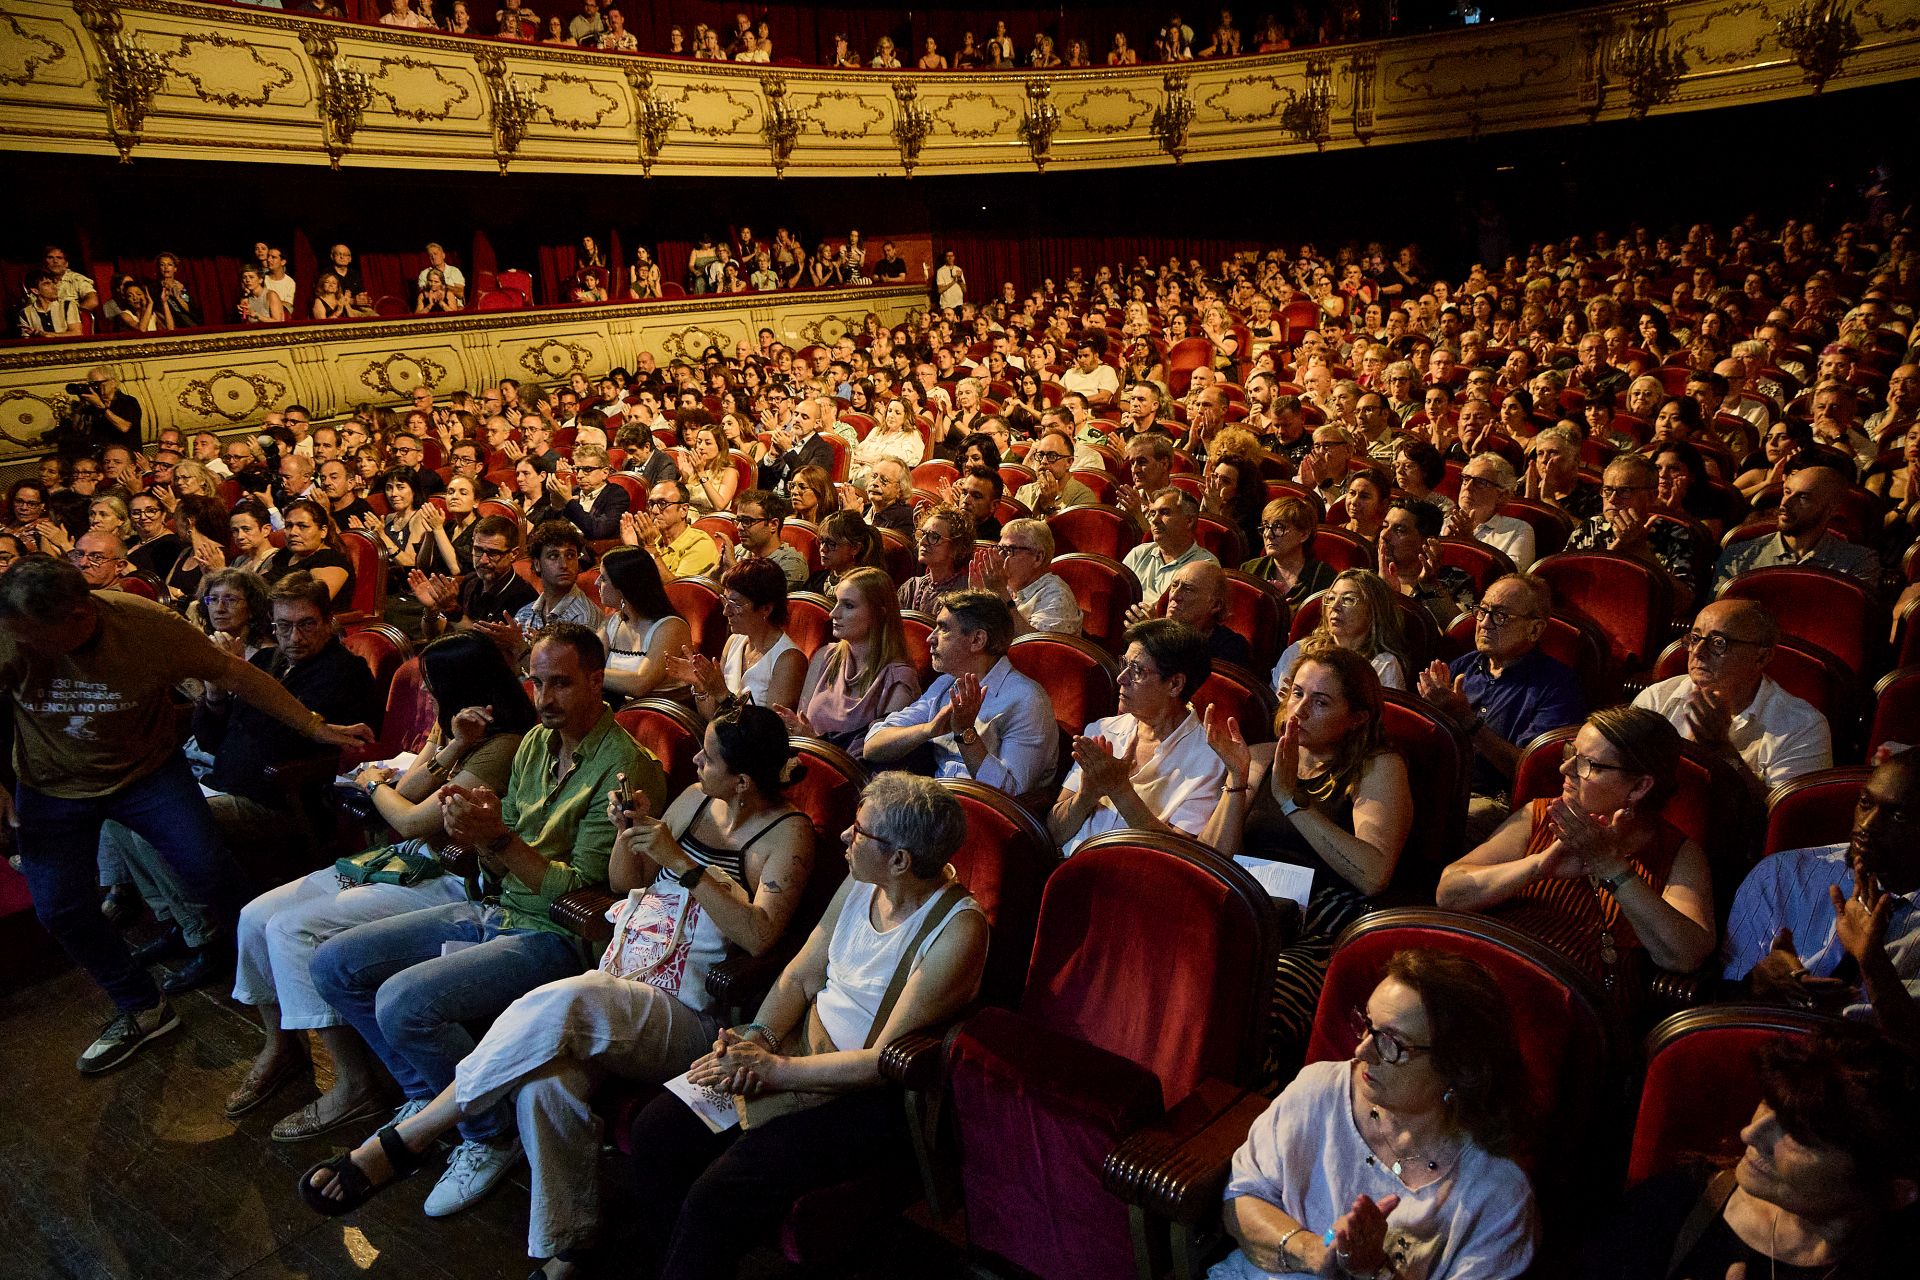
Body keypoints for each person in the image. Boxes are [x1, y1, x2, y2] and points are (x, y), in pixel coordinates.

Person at [302, 707, 813, 1280]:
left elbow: (760, 933)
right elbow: (627, 883)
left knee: (569, 997)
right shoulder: (696, 799)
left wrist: (681, 863)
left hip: (695, 1013)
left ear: (743, 781)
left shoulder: (787, 834)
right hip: (625, 975)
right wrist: (631, 835)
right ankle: (567, 1244)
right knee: (544, 1088)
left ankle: (412, 1136)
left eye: (708, 756)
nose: (694, 761)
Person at [309, 622, 662, 1216]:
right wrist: (471, 827)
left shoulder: (626, 767)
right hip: (495, 904)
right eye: (537, 682)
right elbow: (508, 840)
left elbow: (586, 890)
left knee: (402, 1000)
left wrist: (493, 837)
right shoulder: (532, 744)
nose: (544, 698)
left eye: (561, 684)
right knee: (334, 962)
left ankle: (487, 1134)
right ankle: (429, 1099)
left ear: (597, 680)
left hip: (562, 935)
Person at [0, 555, 372, 1072]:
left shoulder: (146, 625)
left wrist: (316, 727)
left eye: (33, 637)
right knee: (59, 908)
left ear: (80, 617)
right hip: (51, 784)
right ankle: (141, 1006)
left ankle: (290, 989)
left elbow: (237, 675)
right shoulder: (9, 629)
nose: (20, 646)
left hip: (147, 775)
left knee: (212, 874)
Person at [619, 772, 986, 1278]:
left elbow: (882, 1062)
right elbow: (800, 975)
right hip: (795, 1048)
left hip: (862, 1098)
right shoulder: (863, 880)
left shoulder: (957, 929)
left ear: (900, 859)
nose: (844, 837)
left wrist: (773, 1070)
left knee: (716, 1196)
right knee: (658, 1128)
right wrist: (757, 1038)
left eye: (858, 831)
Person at [227, 634, 535, 1137]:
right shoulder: (458, 729)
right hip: (407, 859)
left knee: (292, 930)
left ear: (467, 685)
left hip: (448, 875)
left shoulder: (505, 746)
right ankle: (280, 1046)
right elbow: (409, 792)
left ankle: (354, 1084)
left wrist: (373, 784)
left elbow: (410, 819)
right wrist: (451, 743)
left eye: (434, 686)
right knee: (255, 916)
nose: (428, 697)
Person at [1216, 949, 1536, 1279]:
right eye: (1367, 1025)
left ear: (1460, 1068)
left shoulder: (1495, 1196)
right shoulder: (1319, 1090)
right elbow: (1241, 1196)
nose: (1362, 1051)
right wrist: (1314, 1252)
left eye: (1391, 1043)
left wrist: (1373, 1270)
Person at [1200, 646, 1413, 1060]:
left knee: (1253, 1008)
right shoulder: (1260, 756)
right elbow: (1212, 862)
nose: (1299, 710)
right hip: (1250, 904)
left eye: (1320, 701)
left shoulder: (1377, 766)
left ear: (1358, 718)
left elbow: (1373, 873)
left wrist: (1293, 802)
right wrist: (1236, 778)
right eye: (1296, 694)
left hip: (1320, 926)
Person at [1584, 1024, 1915, 1279]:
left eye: (1798, 1135)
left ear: (1894, 1191)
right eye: (1768, 1103)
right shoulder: (1676, 1202)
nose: (1749, 1134)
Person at [1437, 706, 1716, 992]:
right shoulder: (1541, 815)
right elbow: (1448, 894)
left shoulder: (1677, 853)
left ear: (1639, 787)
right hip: (1487, 976)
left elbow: (1686, 955)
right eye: (1571, 753)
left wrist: (1611, 866)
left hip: (1575, 1003)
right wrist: (1536, 866)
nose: (1564, 769)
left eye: (1587, 764)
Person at [1721, 751, 1920, 1039]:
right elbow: (1720, 1005)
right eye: (1865, 804)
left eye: (1898, 815)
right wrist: (1756, 984)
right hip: (1762, 1052)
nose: (1867, 825)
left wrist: (1871, 960)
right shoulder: (1781, 874)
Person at [192, 571, 379, 874]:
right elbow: (210, 741)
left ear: (328, 620)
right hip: (224, 785)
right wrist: (216, 693)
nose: (294, 638)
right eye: (284, 626)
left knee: (166, 822)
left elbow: (281, 741)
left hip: (282, 803)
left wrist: (242, 683)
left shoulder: (344, 672)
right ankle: (183, 913)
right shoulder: (266, 661)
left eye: (306, 624)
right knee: (126, 815)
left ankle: (205, 917)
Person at [1418, 573, 1585, 838]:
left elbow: (1533, 772)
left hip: (1497, 801)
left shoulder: (1557, 685)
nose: (1484, 623)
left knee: (1431, 827)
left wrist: (1466, 720)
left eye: (1500, 615)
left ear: (1535, 629)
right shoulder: (1462, 666)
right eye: (1482, 610)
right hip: (1438, 785)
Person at [1050, 620, 1225, 854]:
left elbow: (1179, 859)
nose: (1120, 678)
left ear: (1175, 684)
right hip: (1070, 866)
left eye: (1136, 670)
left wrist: (1120, 790)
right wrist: (1085, 797)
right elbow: (1055, 832)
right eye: (1124, 664)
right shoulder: (1102, 731)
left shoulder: (1208, 760)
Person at [864, 589, 1058, 796]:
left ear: (977, 640)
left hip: (981, 818)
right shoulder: (946, 684)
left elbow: (1009, 792)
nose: (930, 638)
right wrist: (928, 730)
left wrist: (966, 733)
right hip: (933, 803)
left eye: (943, 629)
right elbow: (873, 745)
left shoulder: (1027, 699)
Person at [1633, 598, 1831, 797]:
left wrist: (1723, 752)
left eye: (1718, 643)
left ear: (1762, 657)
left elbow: (1780, 818)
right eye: (1694, 638)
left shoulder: (1802, 727)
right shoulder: (1657, 699)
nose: (1698, 652)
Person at [779, 568, 919, 756]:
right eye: (837, 603)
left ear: (879, 613)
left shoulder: (899, 679)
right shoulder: (825, 656)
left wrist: (814, 741)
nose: (833, 614)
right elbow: (802, 723)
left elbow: (877, 756)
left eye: (849, 605)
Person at [1711, 465, 1880, 592]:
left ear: (1830, 510)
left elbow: (1850, 625)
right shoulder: (1741, 555)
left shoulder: (1858, 562)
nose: (1785, 503)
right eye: (1787, 492)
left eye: (1803, 497)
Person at [674, 559, 804, 722]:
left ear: (766, 608)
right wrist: (701, 686)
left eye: (735, 604)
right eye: (725, 601)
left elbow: (768, 732)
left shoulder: (788, 660)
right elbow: (713, 719)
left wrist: (723, 695)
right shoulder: (734, 641)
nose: (726, 612)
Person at [1564, 454, 1703, 600]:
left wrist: (1641, 551)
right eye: (1607, 490)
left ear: (1651, 496)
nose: (1612, 499)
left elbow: (1683, 602)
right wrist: (1615, 551)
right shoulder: (1590, 527)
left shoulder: (1675, 533)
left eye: (1624, 491)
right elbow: (1566, 585)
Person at [1272, 569, 1409, 693]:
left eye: (1348, 600)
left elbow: (1378, 719)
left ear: (1374, 611)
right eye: (1331, 598)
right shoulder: (1298, 651)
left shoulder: (1383, 666)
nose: (1334, 606)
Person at [410, 515, 537, 640]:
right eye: (478, 550)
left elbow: (485, 647)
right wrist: (431, 610)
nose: (483, 560)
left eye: (493, 553)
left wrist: (453, 610)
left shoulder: (523, 598)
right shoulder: (470, 582)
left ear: (513, 554)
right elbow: (433, 636)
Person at [594, 547, 690, 705]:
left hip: (659, 717)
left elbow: (640, 683)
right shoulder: (611, 623)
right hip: (621, 713)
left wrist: (588, 675)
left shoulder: (671, 627)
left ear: (625, 586)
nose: (596, 582)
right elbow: (589, 664)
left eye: (603, 578)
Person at [975, 516, 1083, 637]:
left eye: (1009, 550)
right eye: (999, 548)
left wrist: (1000, 595)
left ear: (1038, 558)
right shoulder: (1008, 585)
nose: (1000, 555)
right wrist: (978, 599)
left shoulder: (1056, 595)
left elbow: (1033, 648)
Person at [1379, 497, 1477, 627]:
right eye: (1385, 526)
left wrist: (1430, 585)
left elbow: (1460, 634)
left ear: (1427, 542)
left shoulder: (1456, 580)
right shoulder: (1369, 574)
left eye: (1399, 530)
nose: (1384, 535)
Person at [1242, 496, 1338, 609]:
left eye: (1278, 527)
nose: (1268, 534)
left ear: (1303, 534)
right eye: (1266, 526)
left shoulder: (1323, 577)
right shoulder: (1249, 570)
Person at [1443, 454, 1535, 571]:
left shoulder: (1519, 530)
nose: (1468, 487)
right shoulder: (1442, 523)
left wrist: (1470, 544)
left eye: (1481, 482)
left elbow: (1510, 577)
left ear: (1501, 495)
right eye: (1466, 479)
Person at [621, 479, 719, 582]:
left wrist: (650, 548)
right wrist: (634, 547)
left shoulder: (700, 543)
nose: (654, 511)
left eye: (663, 503)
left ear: (683, 510)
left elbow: (676, 591)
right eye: (651, 503)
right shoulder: (653, 539)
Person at [264, 499, 355, 603]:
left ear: (323, 532)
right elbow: (258, 583)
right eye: (289, 525)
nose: (293, 532)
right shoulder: (285, 554)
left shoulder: (331, 560)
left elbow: (308, 606)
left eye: (302, 526)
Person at [899, 504, 974, 616]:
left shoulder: (966, 592)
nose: (923, 542)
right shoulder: (911, 587)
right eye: (922, 534)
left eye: (934, 536)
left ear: (956, 547)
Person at [1014, 429, 1097, 517]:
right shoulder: (1024, 491)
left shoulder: (1083, 496)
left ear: (1069, 462)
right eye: (1040, 455)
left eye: (1052, 456)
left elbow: (1068, 530)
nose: (1043, 461)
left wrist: (1049, 508)